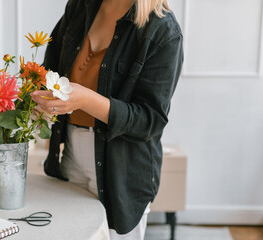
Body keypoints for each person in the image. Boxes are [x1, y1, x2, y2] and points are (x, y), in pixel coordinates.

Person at [30, 0, 183, 238]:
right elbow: (50, 68)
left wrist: (86, 100)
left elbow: (150, 119)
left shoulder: (162, 29)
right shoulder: (81, 5)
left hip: (123, 170)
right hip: (69, 154)